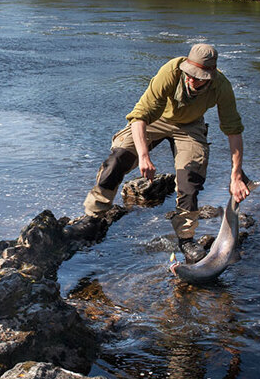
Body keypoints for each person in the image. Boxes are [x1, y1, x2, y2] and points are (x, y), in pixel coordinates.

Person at [82, 43, 250, 262]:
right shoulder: (171, 71)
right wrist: (144, 156)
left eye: (198, 77)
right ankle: (93, 217)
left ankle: (186, 238)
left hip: (190, 126)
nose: (191, 80)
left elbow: (233, 131)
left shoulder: (221, 86)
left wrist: (236, 174)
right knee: (118, 159)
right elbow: (139, 116)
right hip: (156, 119)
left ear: (210, 76)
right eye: (189, 74)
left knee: (190, 179)